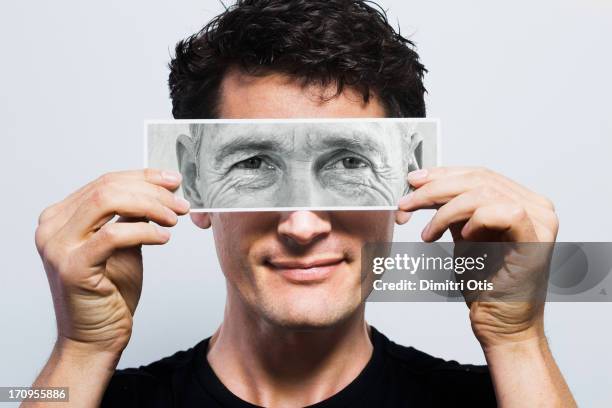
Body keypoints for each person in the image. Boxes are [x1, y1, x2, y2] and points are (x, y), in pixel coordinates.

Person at [29, 0, 576, 406]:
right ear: (194, 177)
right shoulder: (94, 395)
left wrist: (518, 338)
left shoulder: (499, 395)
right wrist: (79, 349)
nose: (303, 223)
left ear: (409, 177)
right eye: (254, 164)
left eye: (348, 163)